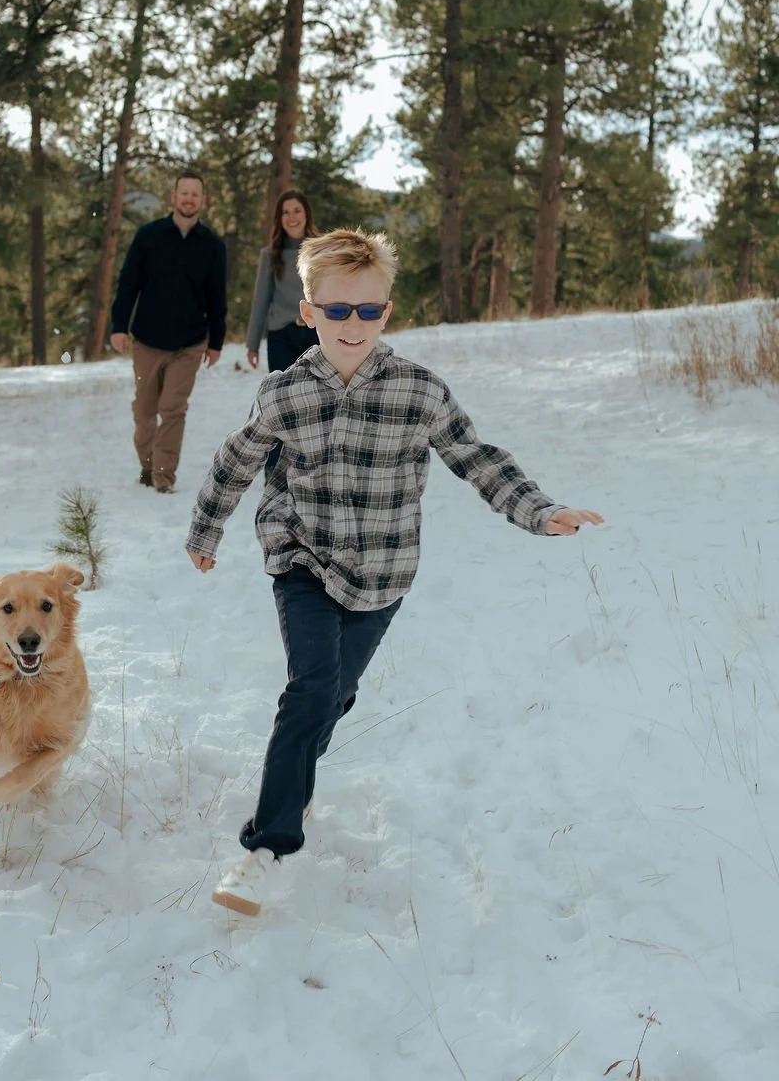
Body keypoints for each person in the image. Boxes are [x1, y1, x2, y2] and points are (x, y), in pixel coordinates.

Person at [185, 227, 603, 915]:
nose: (354, 325)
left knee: (333, 697)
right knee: (312, 686)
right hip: (303, 560)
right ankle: (266, 847)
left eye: (368, 310)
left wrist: (539, 510)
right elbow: (235, 460)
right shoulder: (284, 393)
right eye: (338, 310)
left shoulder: (419, 391)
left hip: (383, 574)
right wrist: (206, 530)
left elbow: (478, 457)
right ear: (309, 311)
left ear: (388, 309)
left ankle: (296, 774)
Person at [110, 171, 227, 495]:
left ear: (203, 201)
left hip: (189, 343)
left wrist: (216, 342)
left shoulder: (213, 246)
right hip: (147, 340)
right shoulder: (148, 236)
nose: (189, 198)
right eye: (184, 193)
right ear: (173, 198)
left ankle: (163, 476)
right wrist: (119, 326)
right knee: (145, 412)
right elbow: (129, 283)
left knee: (173, 409)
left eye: (195, 194)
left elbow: (218, 297)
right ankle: (147, 465)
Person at [245, 190, 320, 373]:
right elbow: (261, 301)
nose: (291, 217)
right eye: (285, 212)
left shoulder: (322, 251)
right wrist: (252, 344)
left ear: (306, 214)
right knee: (283, 397)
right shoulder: (270, 255)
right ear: (279, 218)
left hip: (318, 334)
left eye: (297, 210)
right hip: (281, 337)